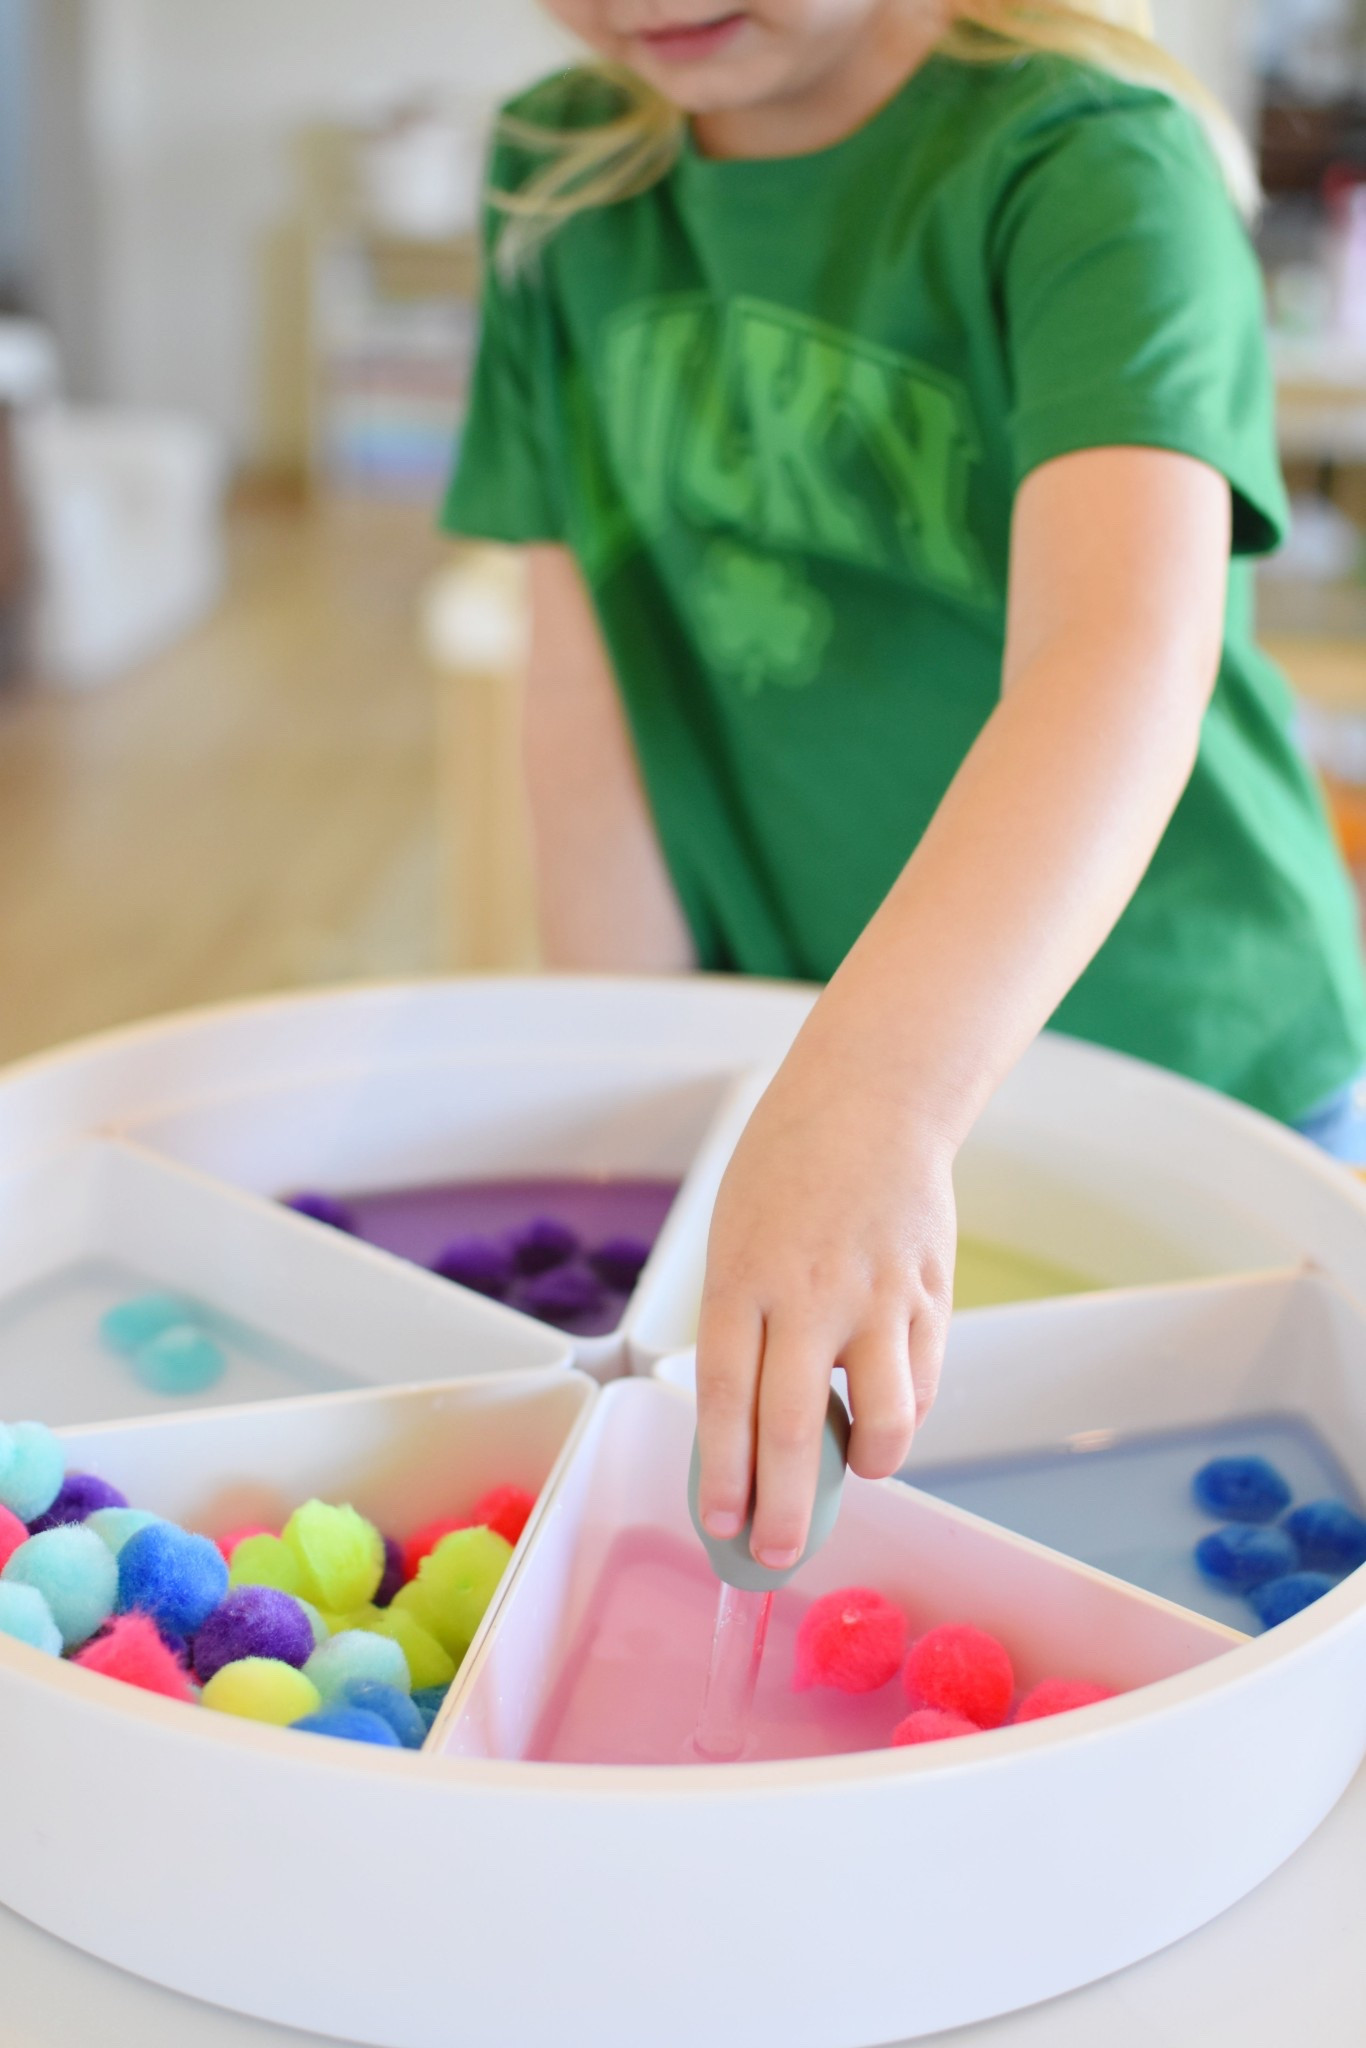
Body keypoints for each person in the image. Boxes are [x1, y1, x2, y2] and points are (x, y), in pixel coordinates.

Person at [443, 2, 1366, 1574]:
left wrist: (871, 1101)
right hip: (804, 1084)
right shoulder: (561, 176)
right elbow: (582, 665)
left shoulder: (1081, 158)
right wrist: (641, 1087)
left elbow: (1111, 663)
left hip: (1189, 1062)